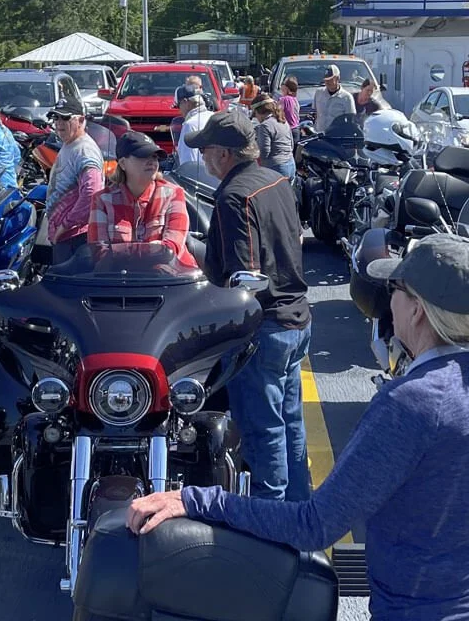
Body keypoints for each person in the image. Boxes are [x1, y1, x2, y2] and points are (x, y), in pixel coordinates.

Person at [127, 233, 469, 621]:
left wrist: (194, 501)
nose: (389, 299)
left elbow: (315, 525)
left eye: (394, 288)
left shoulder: (414, 404)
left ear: (417, 309)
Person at [183, 109, 311, 501]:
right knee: (290, 425)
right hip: (297, 317)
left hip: (264, 327)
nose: (202, 158)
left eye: (205, 150)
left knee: (261, 431)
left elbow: (245, 276)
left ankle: (270, 524)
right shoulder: (277, 180)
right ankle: (300, 510)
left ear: (224, 153)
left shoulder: (233, 196)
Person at [88, 131, 195, 266]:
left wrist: (120, 252)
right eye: (143, 156)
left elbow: (171, 249)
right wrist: (152, 249)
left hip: (168, 280)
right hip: (120, 280)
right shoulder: (101, 200)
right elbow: (99, 252)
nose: (151, 161)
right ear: (122, 163)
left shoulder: (174, 194)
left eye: (155, 156)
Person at [45, 97, 104, 263]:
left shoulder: (85, 150)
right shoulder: (72, 143)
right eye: (56, 118)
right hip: (66, 236)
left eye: (65, 118)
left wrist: (65, 226)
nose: (59, 123)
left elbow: (92, 192)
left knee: (68, 285)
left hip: (76, 238)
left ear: (81, 120)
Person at [251, 92, 295, 180]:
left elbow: (264, 152)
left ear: (258, 111)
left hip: (276, 169)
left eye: (255, 114)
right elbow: (291, 145)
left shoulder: (265, 126)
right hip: (290, 165)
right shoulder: (283, 120)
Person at [174, 83, 212, 166]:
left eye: (178, 106)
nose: (179, 111)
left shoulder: (190, 125)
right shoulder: (213, 116)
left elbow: (188, 164)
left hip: (200, 177)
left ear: (185, 102)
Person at [313, 64, 356, 133]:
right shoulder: (318, 93)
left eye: (330, 79)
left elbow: (351, 121)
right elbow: (315, 113)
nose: (327, 82)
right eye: (326, 80)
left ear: (337, 78)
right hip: (319, 135)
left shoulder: (347, 97)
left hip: (336, 137)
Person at [279, 76, 300, 148]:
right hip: (296, 129)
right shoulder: (295, 100)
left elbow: (278, 113)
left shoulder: (284, 99)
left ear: (286, 88)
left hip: (287, 130)